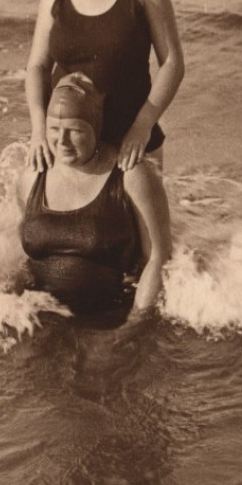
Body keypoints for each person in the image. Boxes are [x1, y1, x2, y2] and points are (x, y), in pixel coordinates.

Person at [25, 0, 184, 175]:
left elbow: (172, 64)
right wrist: (39, 129)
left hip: (129, 141)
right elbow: (37, 66)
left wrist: (142, 127)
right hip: (68, 142)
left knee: (142, 219)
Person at [17, 73, 171, 316]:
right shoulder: (32, 176)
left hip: (110, 319)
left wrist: (133, 325)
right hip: (39, 317)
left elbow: (158, 258)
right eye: (54, 129)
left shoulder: (132, 176)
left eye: (75, 130)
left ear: (96, 127)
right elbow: (25, 256)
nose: (62, 142)